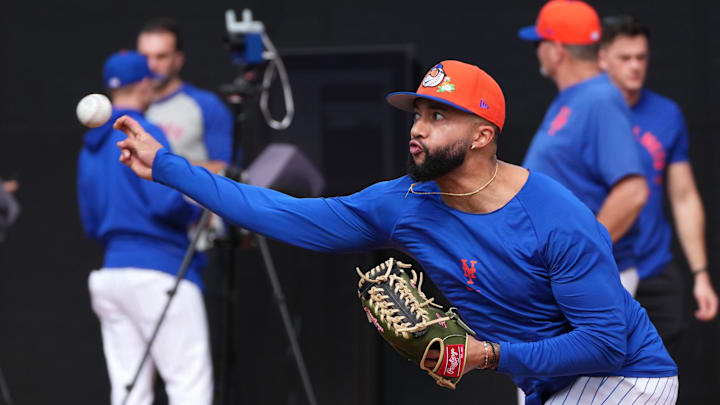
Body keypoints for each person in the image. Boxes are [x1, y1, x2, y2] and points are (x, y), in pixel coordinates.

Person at [114, 59, 678, 405]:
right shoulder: (403, 203)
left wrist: (485, 356)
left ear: (482, 135)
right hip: (545, 385)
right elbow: (282, 213)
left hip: (627, 382)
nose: (417, 128)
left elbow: (606, 345)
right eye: (416, 114)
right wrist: (166, 165)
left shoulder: (558, 218)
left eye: (438, 117)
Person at [77, 50, 213, 405]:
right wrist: (197, 212)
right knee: (189, 387)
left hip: (111, 275)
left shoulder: (89, 148)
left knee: (128, 392)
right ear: (145, 85)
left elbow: (92, 224)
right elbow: (165, 202)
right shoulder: (144, 132)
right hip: (159, 272)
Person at [598, 15, 718, 352]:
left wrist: (701, 274)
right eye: (625, 58)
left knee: (659, 381)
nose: (635, 66)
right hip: (602, 269)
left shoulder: (667, 115)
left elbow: (683, 197)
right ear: (603, 58)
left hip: (653, 266)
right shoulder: (585, 113)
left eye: (641, 57)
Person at [519, 0, 648, 296]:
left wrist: (582, 257)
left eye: (540, 42)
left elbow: (633, 192)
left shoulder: (599, 98)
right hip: (565, 275)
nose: (537, 50)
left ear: (557, 49)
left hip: (590, 279)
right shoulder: (576, 96)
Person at [137, 17, 233, 173]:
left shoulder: (206, 105)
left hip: (185, 197)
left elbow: (226, 171)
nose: (151, 65)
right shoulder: (128, 106)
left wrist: (164, 166)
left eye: (161, 56)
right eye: (144, 57)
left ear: (178, 60)